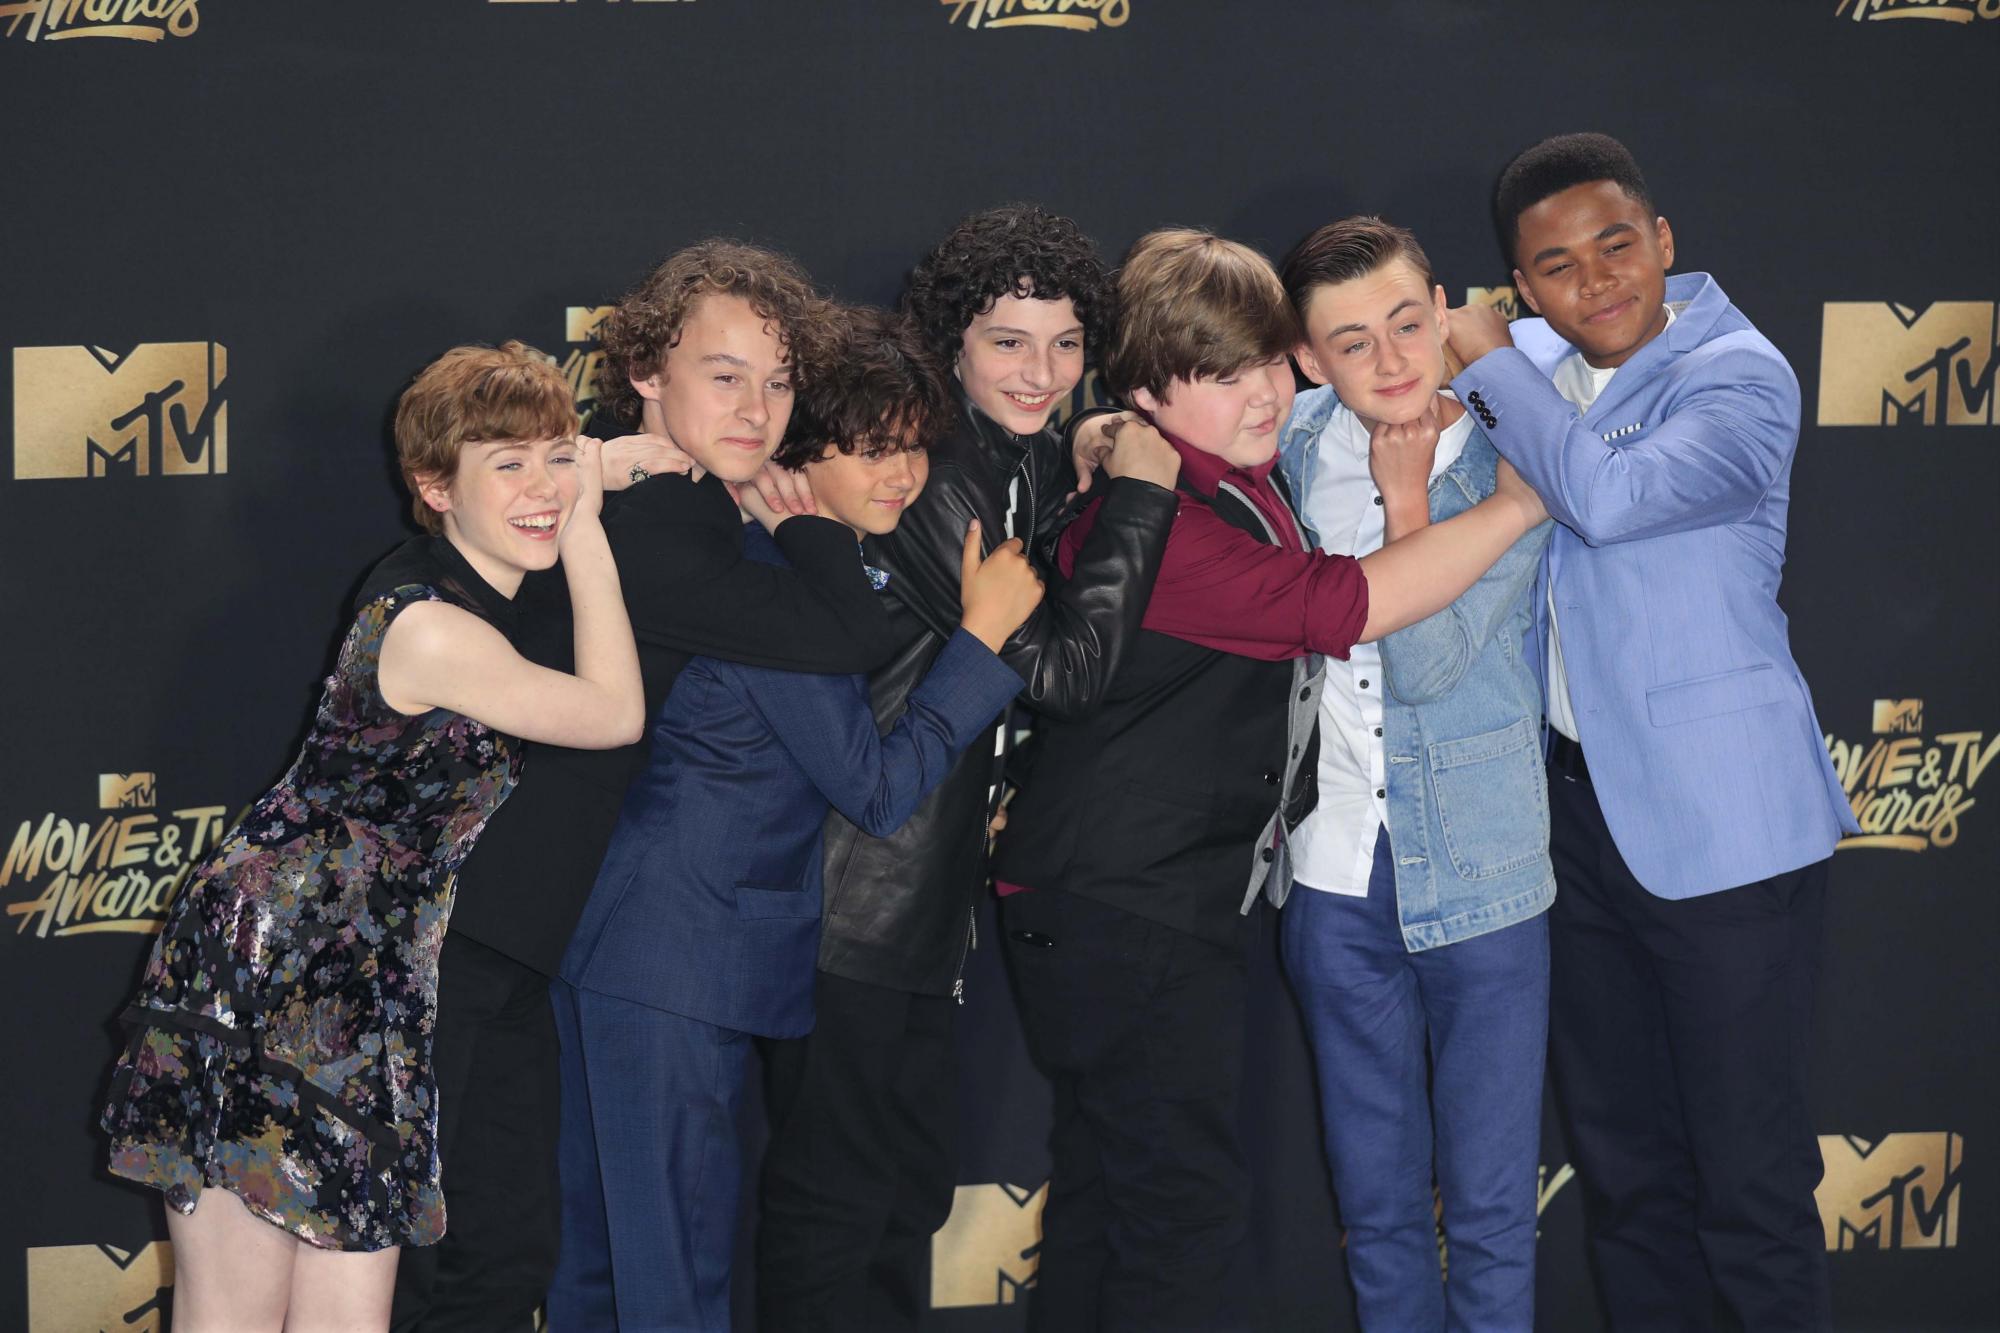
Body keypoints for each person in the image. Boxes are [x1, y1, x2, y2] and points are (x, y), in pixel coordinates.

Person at [993, 228, 1549, 1333]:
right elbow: (1347, 607)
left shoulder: (1243, 459)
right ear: (1150, 391)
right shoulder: (1168, 519)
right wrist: (1520, 505)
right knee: (1181, 1221)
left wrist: (1103, 428)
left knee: (1110, 1200)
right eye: (1221, 373)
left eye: (1264, 363)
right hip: (1124, 902)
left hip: (1142, 896)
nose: (1259, 392)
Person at [390, 242, 905, 1332]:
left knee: (552, 1259)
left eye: (778, 381)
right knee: (582, 1268)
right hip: (541, 933)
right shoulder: (665, 521)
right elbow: (849, 635)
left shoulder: (640, 498)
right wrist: (801, 521)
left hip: (539, 927)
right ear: (644, 375)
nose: (757, 408)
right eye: (724, 375)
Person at [99, 342, 645, 1332]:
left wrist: (601, 464)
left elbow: (563, 477)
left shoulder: (466, 588)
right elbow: (613, 712)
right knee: (237, 1311)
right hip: (278, 962)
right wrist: (588, 526)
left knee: (351, 1311)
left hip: (370, 978)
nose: (543, 488)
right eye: (508, 464)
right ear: (435, 487)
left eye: (557, 456)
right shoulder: (432, 626)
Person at [548, 307, 1041, 1332]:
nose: (902, 475)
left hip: (655, 950)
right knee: (664, 1277)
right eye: (870, 448)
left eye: (913, 446)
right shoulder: (772, 577)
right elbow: (877, 789)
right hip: (669, 957)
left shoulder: (787, 559)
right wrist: (983, 639)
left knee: (618, 1269)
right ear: (802, 460)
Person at [1444, 131, 1857, 1332]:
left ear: (1662, 241)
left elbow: (1610, 497)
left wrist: (1489, 358)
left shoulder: (1738, 373)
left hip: (1722, 830)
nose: (1594, 281)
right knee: (1624, 1172)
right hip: (1570, 825)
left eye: (1614, 246)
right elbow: (1345, 382)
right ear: (1523, 285)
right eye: (1556, 266)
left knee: (1748, 1177)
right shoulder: (1530, 363)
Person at [752, 204, 1183, 1333]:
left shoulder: (1008, 454)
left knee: (896, 1197)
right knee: (841, 1206)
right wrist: (1142, 492)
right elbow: (1067, 672)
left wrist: (1080, 460)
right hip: (851, 898)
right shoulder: (936, 472)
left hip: (907, 903)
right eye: (1008, 342)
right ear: (952, 345)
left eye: (1066, 344)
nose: (1041, 372)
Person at [1274, 215, 1554, 1332]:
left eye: (1406, 323)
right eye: (1352, 342)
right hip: (1332, 872)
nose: (1390, 360)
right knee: (1376, 1206)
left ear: (1444, 310)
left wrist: (1407, 506)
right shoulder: (1288, 445)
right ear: (1308, 361)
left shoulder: (1514, 456)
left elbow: (1429, 667)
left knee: (1489, 1211)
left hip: (1484, 869)